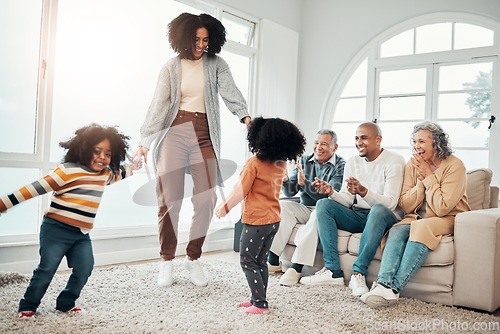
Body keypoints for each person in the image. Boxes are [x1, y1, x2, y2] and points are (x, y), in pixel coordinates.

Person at [133, 13, 251, 288]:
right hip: (174, 131)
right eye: (196, 39)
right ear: (184, 38)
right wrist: (144, 142)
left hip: (204, 133)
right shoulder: (171, 68)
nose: (200, 45)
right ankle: (166, 261)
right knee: (169, 200)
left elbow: (230, 91)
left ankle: (193, 258)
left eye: (205, 40)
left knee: (206, 199)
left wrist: (245, 116)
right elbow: (159, 106)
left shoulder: (217, 64)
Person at [0, 124, 141, 320]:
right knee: (47, 269)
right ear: (84, 149)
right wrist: (4, 203)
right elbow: (34, 189)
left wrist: (133, 166)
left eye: (108, 154)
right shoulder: (66, 171)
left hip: (81, 234)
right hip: (55, 230)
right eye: (97, 151)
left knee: (85, 267)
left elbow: (120, 174)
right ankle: (28, 305)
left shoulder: (104, 175)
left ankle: (66, 303)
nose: (102, 157)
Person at [360, 122, 470, 308]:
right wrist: (421, 183)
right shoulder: (413, 164)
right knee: (397, 230)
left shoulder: (455, 166)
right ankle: (383, 284)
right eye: (414, 141)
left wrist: (428, 176)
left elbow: (443, 207)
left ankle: (393, 289)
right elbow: (406, 204)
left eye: (422, 141)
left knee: (421, 226)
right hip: (417, 218)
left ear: (436, 143)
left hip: (449, 218)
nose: (416, 146)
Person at [301, 122, 405, 298]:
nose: (359, 142)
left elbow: (391, 203)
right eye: (356, 138)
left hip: (384, 217)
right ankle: (333, 271)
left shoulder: (394, 160)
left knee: (378, 209)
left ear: (378, 139)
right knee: (324, 204)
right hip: (359, 215)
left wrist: (363, 191)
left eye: (364, 137)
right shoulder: (353, 162)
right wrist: (331, 192)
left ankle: (358, 273)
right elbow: (348, 199)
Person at [215, 117, 306, 314]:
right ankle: (258, 297)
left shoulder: (254, 163)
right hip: (273, 220)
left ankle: (260, 303)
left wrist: (224, 207)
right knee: (260, 261)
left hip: (256, 220)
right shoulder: (280, 164)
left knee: (247, 260)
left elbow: (241, 191)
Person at [266, 129, 345, 286]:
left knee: (319, 213)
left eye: (324, 144)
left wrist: (305, 184)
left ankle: (296, 267)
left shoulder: (341, 166)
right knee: (283, 206)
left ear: (335, 147)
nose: (318, 147)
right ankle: (273, 260)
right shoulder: (304, 160)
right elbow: (290, 191)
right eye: (316, 143)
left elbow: (329, 197)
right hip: (305, 208)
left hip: (326, 211)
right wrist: (286, 178)